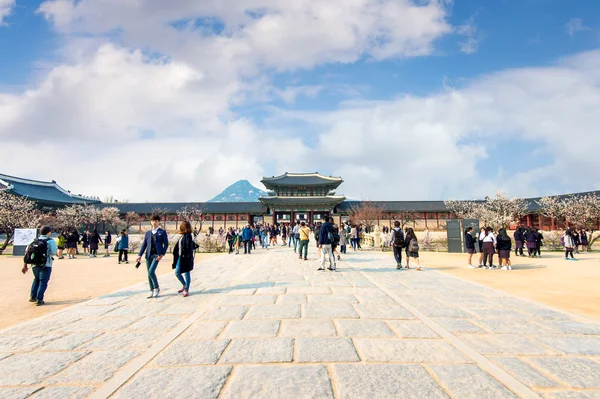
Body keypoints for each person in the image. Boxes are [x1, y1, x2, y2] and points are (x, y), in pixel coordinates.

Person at [22, 226, 57, 306]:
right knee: (43, 281)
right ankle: (39, 299)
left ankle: (33, 296)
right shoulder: (50, 241)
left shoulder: (33, 240)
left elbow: (27, 252)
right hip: (45, 264)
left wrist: (25, 265)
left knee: (36, 279)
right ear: (48, 232)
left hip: (34, 264)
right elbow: (53, 252)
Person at [136, 214, 169, 298]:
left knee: (151, 271)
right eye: (153, 221)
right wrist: (139, 255)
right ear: (151, 222)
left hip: (156, 255)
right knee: (149, 273)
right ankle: (151, 289)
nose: (154, 222)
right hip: (148, 255)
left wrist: (162, 254)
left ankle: (156, 287)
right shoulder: (148, 233)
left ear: (158, 222)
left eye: (156, 221)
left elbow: (166, 244)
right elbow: (144, 245)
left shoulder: (162, 232)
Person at [172, 221, 197, 297]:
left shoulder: (188, 236)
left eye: (187, 228)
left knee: (186, 273)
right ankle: (184, 285)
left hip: (186, 258)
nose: (186, 229)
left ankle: (186, 289)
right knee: (177, 272)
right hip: (180, 257)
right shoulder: (183, 236)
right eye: (184, 228)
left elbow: (188, 247)